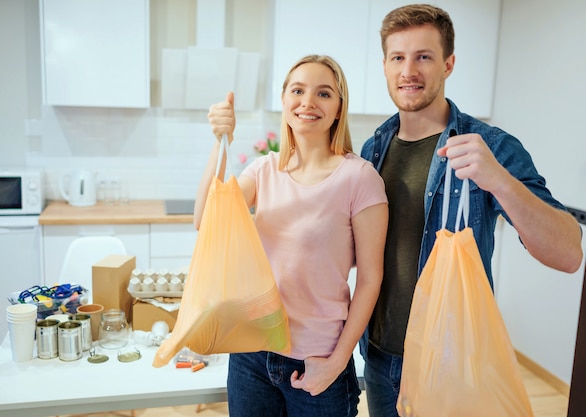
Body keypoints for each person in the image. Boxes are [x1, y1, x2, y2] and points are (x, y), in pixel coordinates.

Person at [359, 4, 584, 417]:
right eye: (398, 57)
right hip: (378, 356)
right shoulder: (373, 149)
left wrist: (498, 179)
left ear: (449, 63)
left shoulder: (491, 147)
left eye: (423, 56)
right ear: (386, 65)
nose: (409, 70)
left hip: (450, 361)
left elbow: (569, 253)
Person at [194, 54, 389, 417]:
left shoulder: (360, 178)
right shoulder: (265, 170)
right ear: (284, 101)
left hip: (315, 360)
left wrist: (336, 361)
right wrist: (221, 142)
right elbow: (206, 220)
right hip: (251, 353)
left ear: (338, 108)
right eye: (297, 90)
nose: (308, 102)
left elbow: (370, 279)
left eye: (324, 93)